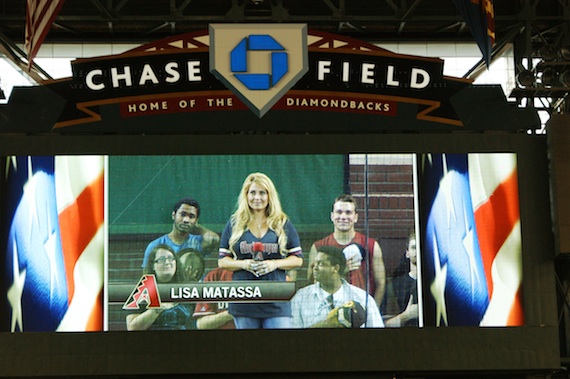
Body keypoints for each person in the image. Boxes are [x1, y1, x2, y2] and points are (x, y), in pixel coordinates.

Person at [218, 172, 303, 329]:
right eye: (253, 192)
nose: (257, 197)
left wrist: (274, 264)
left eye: (262, 193)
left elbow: (297, 259)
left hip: (276, 300)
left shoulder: (282, 223)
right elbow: (223, 260)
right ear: (246, 195)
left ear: (270, 196)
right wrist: (244, 264)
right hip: (244, 300)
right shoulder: (234, 223)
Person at [307, 194, 386, 307]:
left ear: (356, 217)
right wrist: (338, 272)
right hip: (328, 311)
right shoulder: (318, 247)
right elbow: (311, 284)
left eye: (348, 212)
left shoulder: (371, 246)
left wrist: (372, 311)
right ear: (332, 216)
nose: (343, 217)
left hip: (361, 308)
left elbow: (381, 284)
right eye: (339, 212)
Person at [291, 246, 383, 328]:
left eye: (321, 264)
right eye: (314, 264)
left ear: (335, 268)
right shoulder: (301, 298)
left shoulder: (362, 298)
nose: (315, 268)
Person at [126, 244, 197, 330]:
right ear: (153, 266)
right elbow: (132, 327)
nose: (167, 262)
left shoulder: (187, 287)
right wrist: (157, 309)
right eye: (162, 259)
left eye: (171, 259)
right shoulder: (143, 288)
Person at [141, 197, 220, 268]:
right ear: (173, 215)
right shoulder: (156, 245)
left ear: (196, 220)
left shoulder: (197, 242)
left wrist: (195, 226)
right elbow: (147, 275)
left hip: (193, 284)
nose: (186, 220)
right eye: (182, 214)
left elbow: (214, 239)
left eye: (191, 216)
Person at [384, 232, 419, 327]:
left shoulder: (440, 283)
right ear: (407, 253)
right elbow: (384, 325)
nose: (418, 250)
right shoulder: (395, 286)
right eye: (414, 247)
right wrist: (406, 316)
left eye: (421, 246)